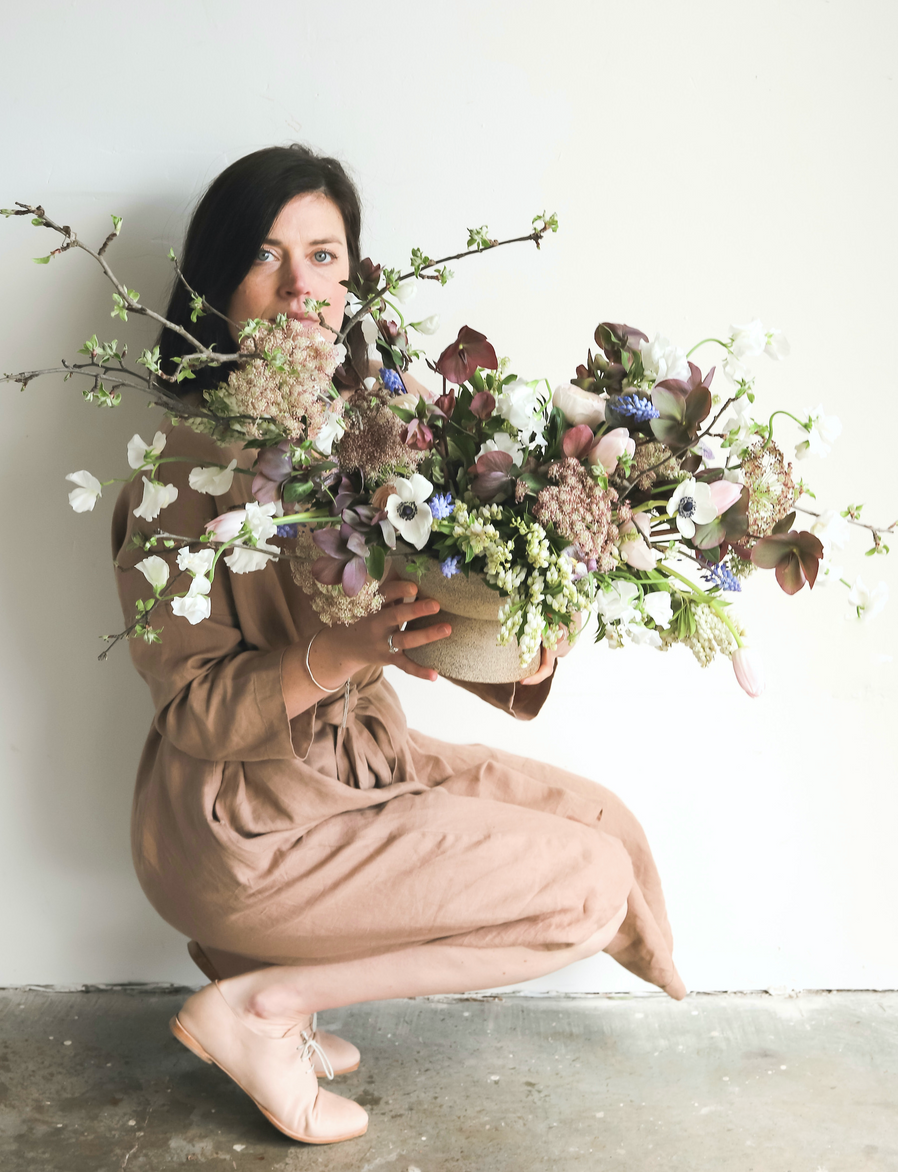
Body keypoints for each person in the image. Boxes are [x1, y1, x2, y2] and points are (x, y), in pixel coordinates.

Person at [117, 145, 684, 1145]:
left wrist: (517, 648)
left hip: (359, 766)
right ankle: (262, 1008)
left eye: (324, 255)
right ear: (215, 286)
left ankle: (269, 987)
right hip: (244, 821)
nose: (300, 283)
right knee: (585, 888)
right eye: (264, 254)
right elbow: (194, 710)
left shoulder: (369, 433)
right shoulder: (175, 482)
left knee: (607, 826)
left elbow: (420, 620)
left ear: (352, 277)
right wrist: (340, 654)